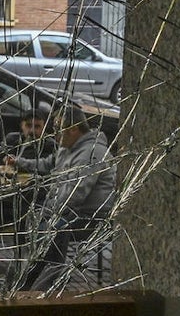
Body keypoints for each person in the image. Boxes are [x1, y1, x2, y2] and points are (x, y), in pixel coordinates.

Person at [11, 104, 116, 289]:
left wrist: (48, 213)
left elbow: (75, 194)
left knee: (51, 229)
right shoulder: (67, 148)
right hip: (67, 210)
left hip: (91, 216)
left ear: (73, 129)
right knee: (27, 218)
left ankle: (44, 282)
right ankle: (24, 274)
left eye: (58, 130)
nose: (55, 135)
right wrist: (19, 161)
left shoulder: (92, 153)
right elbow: (46, 164)